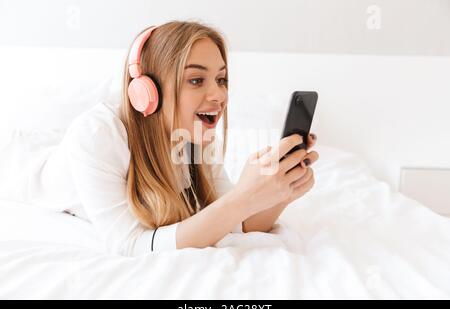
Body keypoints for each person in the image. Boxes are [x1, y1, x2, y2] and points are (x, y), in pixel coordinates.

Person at [19, 21, 319, 256]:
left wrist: (280, 193)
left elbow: (234, 224)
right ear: (146, 92)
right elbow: (131, 246)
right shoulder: (97, 135)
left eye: (222, 79)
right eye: (196, 80)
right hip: (20, 165)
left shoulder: (195, 135)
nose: (219, 95)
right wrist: (243, 198)